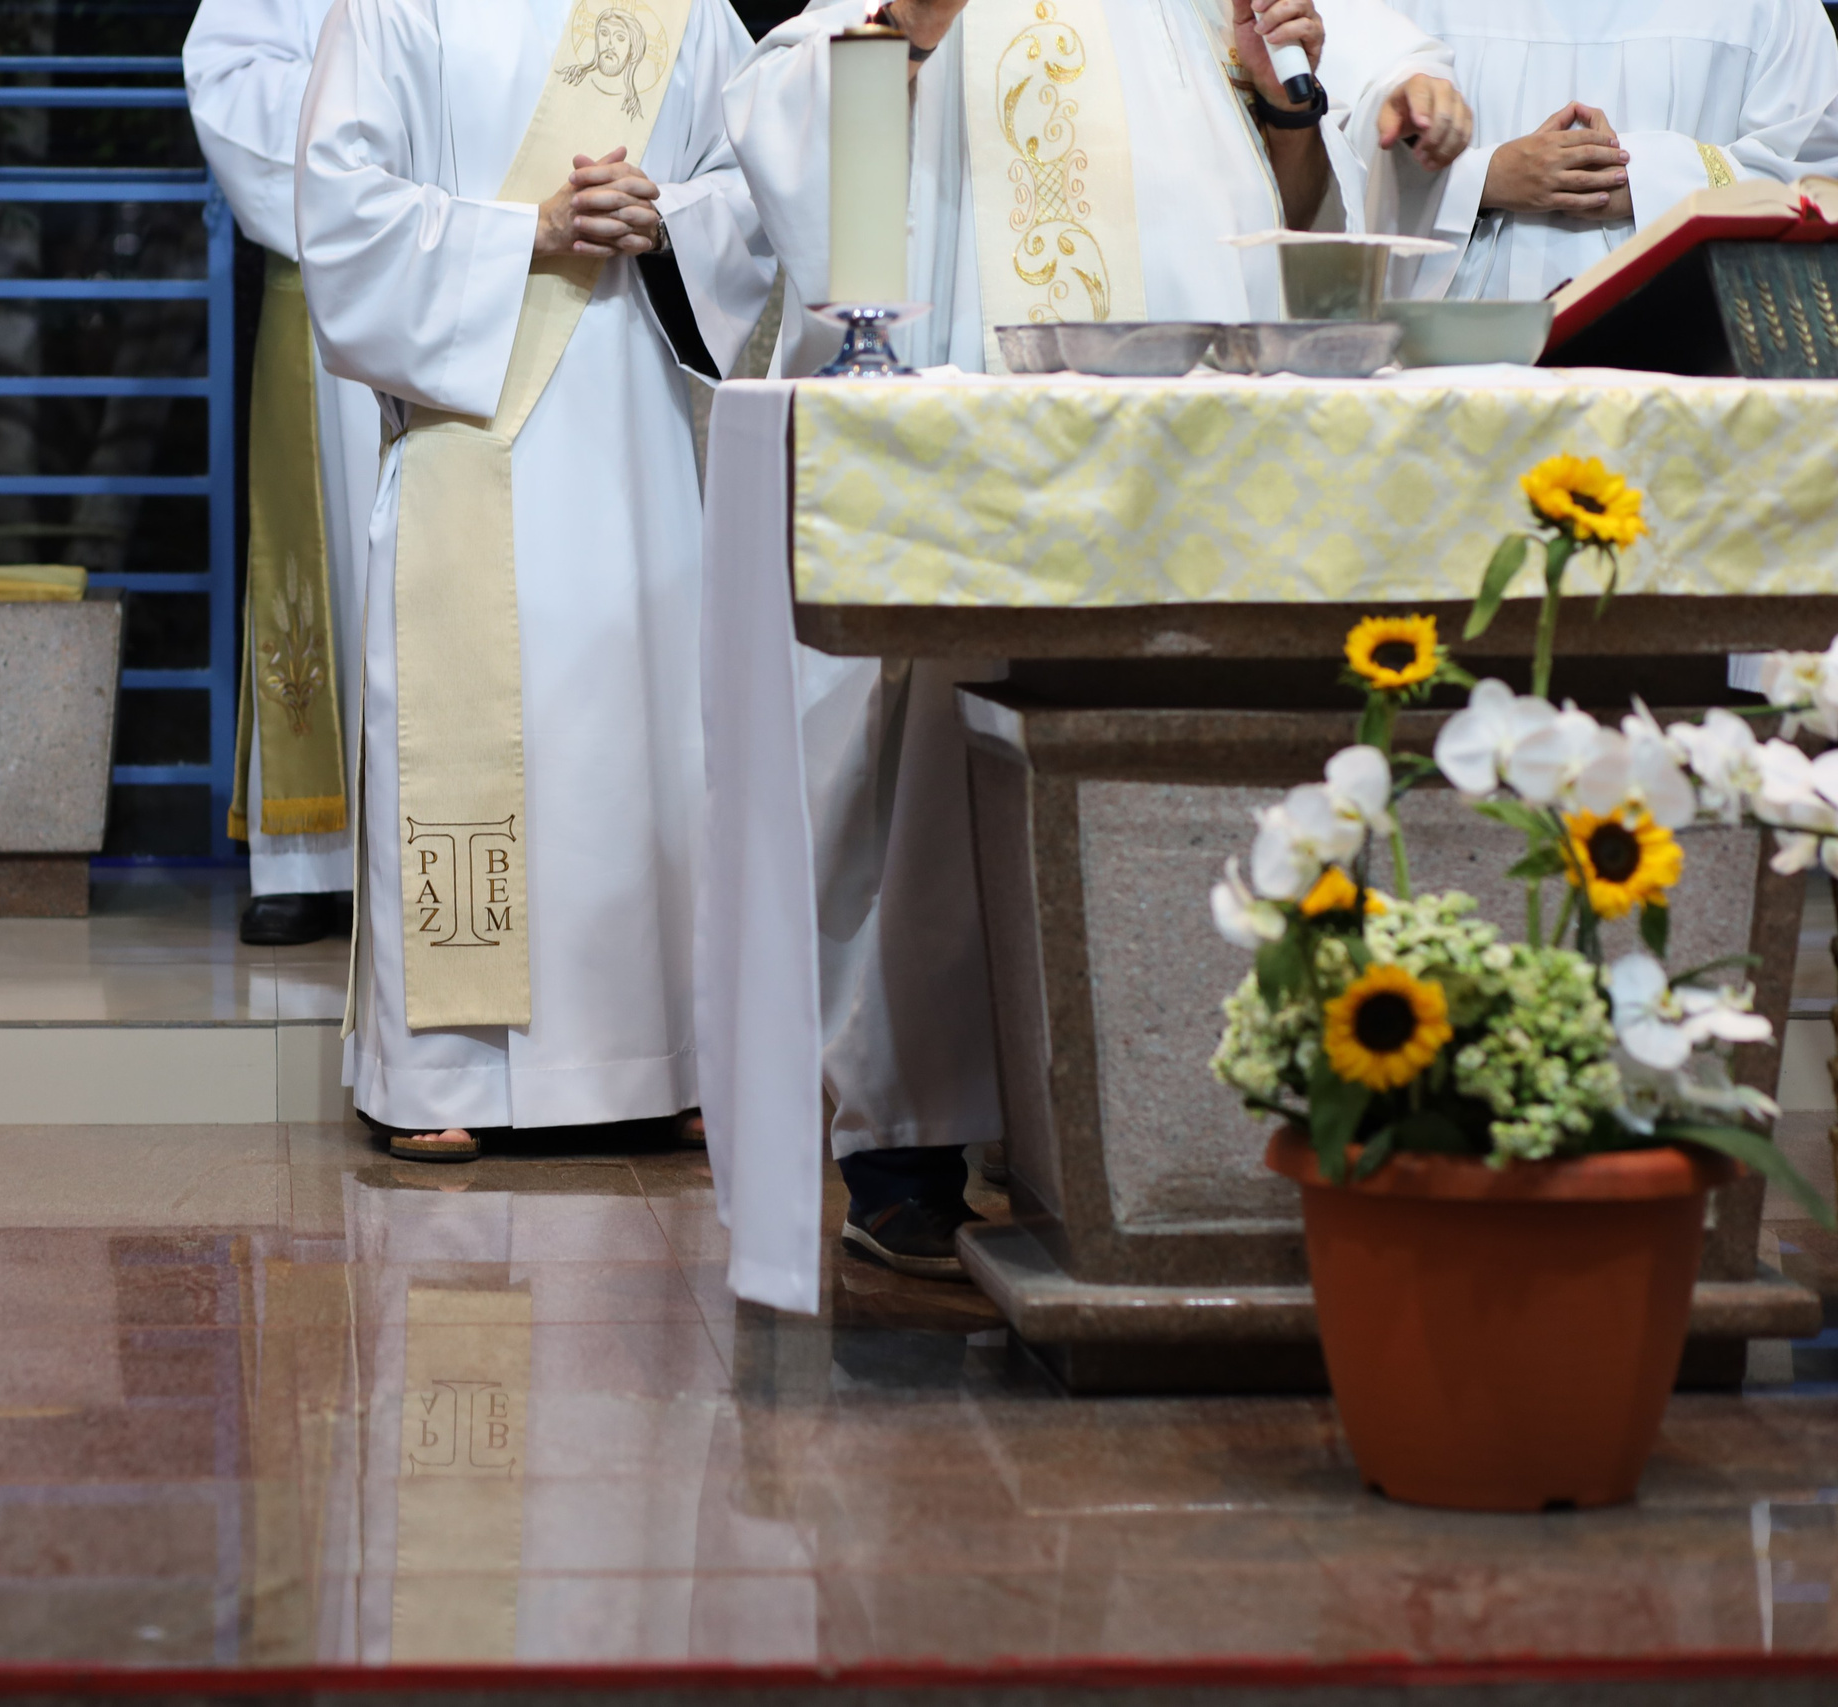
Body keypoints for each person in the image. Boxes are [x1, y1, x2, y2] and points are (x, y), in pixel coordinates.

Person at [718, 0, 1472, 1278]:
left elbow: (1314, 166)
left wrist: (1320, 106)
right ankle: (914, 1138)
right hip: (974, 363)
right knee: (939, 729)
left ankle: (1176, 1112)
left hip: (1196, 390)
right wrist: (904, 31)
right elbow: (794, 99)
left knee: (1184, 707)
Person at [295, 0, 776, 1160]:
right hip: (473, 429)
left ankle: (664, 1057)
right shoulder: (396, 8)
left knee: (640, 738)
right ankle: (445, 1073)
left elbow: (760, 181)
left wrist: (668, 224)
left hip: (636, 444)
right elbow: (340, 209)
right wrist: (530, 230)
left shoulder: (684, 12)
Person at [186, 0, 383, 947]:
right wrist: (358, 128)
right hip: (332, 274)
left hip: (479, 258)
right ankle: (313, 858)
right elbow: (224, 72)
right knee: (319, 568)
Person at [1390, 0, 1838, 302]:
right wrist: (1488, 179)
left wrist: (1642, 180)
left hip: (1687, 344)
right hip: (1463, 353)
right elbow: (1346, 154)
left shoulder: (1772, 9)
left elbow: (1814, 174)